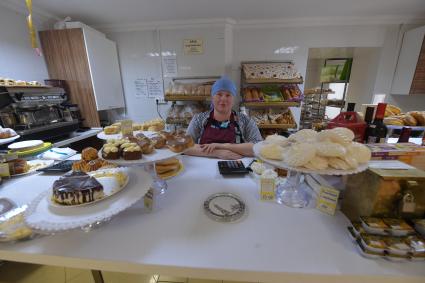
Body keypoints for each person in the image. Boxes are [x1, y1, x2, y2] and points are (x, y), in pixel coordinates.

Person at [185, 76, 263, 159]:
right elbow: (185, 146)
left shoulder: (245, 120)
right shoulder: (199, 119)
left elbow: (259, 147)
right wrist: (217, 153)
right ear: (212, 97)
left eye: (228, 95)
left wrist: (226, 146)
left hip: (235, 167)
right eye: (219, 94)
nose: (223, 99)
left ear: (233, 99)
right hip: (203, 167)